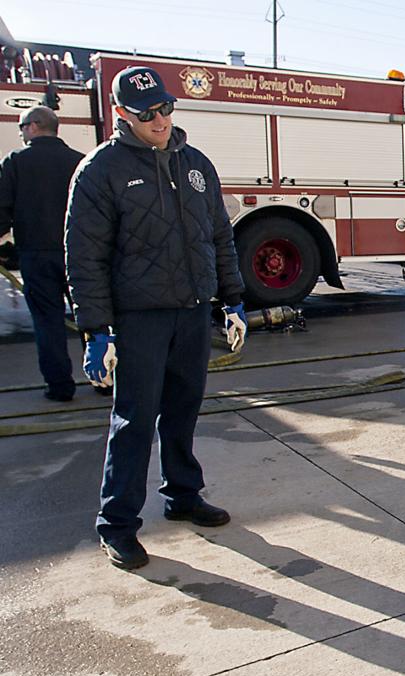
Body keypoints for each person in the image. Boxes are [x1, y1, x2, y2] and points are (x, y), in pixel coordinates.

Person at [65, 65, 248, 570]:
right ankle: (117, 524)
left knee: (184, 409)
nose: (160, 120)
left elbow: (219, 236)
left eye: (166, 108)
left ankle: (183, 495)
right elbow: (84, 257)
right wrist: (96, 330)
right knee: (135, 420)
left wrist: (232, 299)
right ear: (121, 114)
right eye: (147, 114)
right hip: (139, 318)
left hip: (192, 312)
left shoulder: (195, 164)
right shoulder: (100, 171)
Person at [0, 106, 85, 401]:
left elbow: (2, 210)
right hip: (80, 254)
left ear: (34, 126)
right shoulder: (80, 161)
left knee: (48, 321)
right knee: (91, 317)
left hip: (37, 255)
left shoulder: (15, 161)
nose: (21, 133)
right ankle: (105, 379)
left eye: (22, 127)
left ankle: (60, 387)